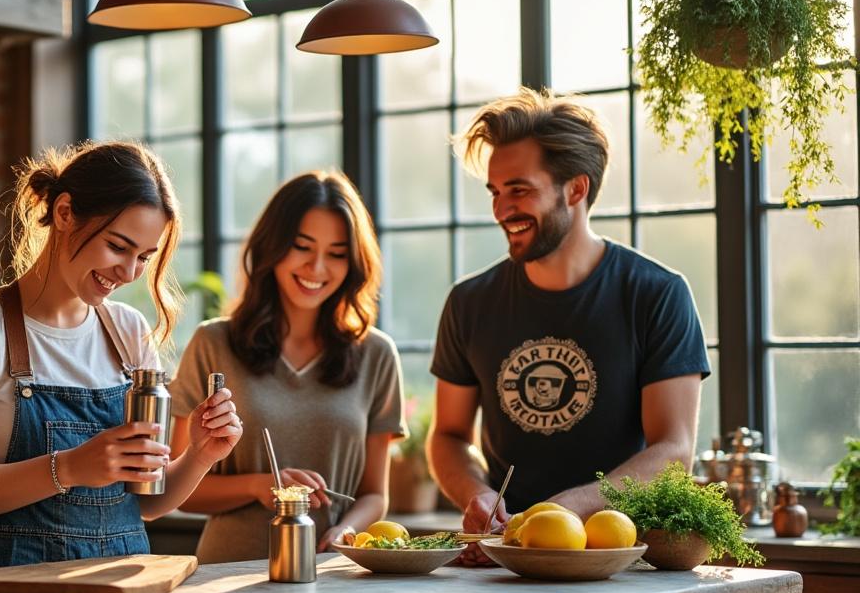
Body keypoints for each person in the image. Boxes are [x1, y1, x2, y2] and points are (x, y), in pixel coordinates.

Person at [0, 140, 242, 569]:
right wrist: (68, 468)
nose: (128, 272)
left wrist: (201, 454)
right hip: (8, 588)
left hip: (118, 585)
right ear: (65, 212)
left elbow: (146, 504)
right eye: (118, 247)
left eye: (144, 257)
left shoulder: (128, 331)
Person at [426, 88, 711, 564]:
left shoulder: (657, 294)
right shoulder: (468, 302)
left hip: (619, 561)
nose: (501, 209)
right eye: (495, 192)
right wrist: (477, 494)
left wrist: (566, 510)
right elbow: (448, 436)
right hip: (505, 558)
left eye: (519, 190)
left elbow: (674, 451)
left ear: (575, 190)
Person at [169, 171, 406, 563]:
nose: (317, 267)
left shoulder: (377, 354)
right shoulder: (213, 344)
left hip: (332, 573)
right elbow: (178, 490)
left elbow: (374, 495)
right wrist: (258, 486)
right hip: (225, 578)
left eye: (337, 253)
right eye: (302, 247)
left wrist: (347, 531)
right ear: (272, 246)